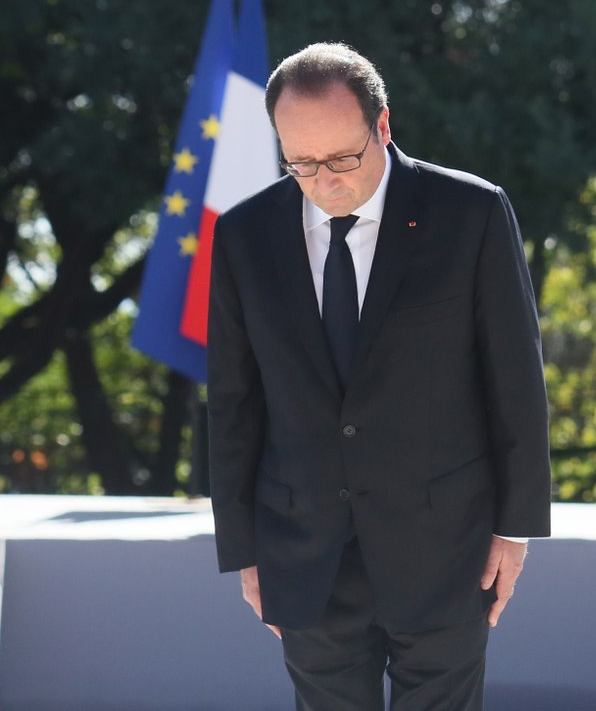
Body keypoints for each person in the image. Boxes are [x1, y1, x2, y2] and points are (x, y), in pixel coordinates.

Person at [206, 42, 551, 710]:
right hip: (304, 551)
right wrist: (243, 548)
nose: (325, 181)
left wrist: (516, 527)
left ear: (383, 126)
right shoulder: (243, 236)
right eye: (301, 163)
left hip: (447, 546)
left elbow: (515, 377)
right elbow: (232, 400)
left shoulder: (471, 214)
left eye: (342, 158)